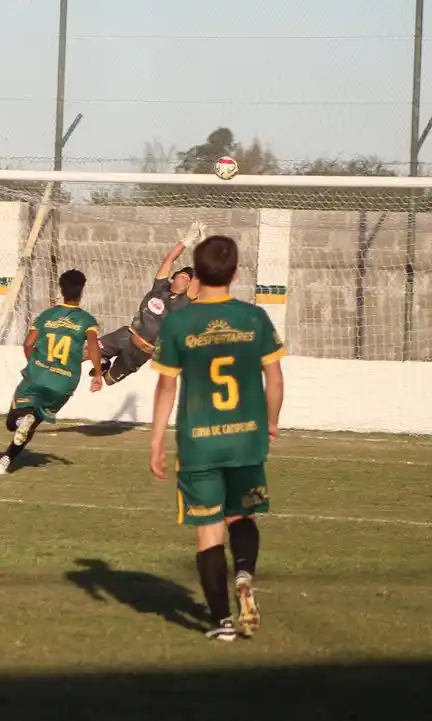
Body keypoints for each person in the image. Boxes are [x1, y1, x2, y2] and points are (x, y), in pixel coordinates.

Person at [148, 234, 285, 642]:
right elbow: (274, 377)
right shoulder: (254, 318)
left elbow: (166, 388)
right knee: (242, 515)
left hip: (198, 441)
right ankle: (243, 570)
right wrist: (272, 420)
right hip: (246, 438)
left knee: (208, 530)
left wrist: (156, 439)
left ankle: (222, 622)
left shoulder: (178, 321)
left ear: (195, 274)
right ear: (236, 272)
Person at [0, 269, 103, 476]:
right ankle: (6, 460)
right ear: (82, 291)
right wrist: (97, 374)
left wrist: (36, 364)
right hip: (63, 384)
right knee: (34, 421)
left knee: (12, 421)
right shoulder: (88, 321)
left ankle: (17, 427)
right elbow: (94, 347)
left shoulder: (46, 316)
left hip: (38, 376)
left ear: (61, 289)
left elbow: (28, 344)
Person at [90, 222, 204, 386]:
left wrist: (203, 246)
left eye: (189, 279)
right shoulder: (160, 288)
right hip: (126, 336)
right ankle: (101, 359)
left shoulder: (185, 302)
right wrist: (187, 241)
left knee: (109, 381)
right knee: (88, 351)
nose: (186, 280)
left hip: (142, 353)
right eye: (184, 275)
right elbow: (169, 259)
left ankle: (105, 366)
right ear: (174, 277)